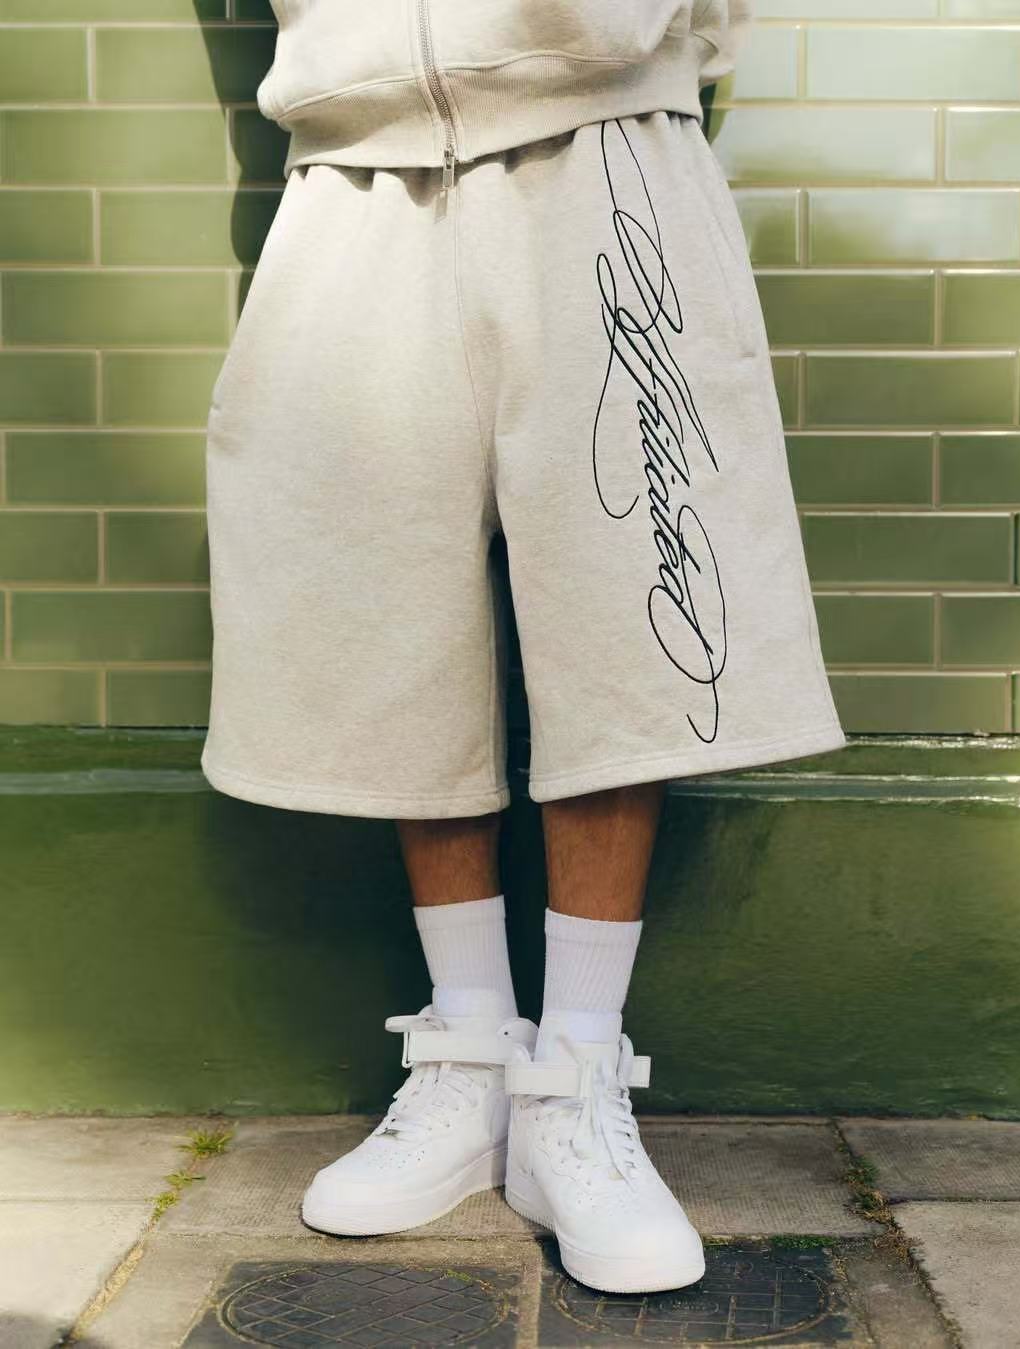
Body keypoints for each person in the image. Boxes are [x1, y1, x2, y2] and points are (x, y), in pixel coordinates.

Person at [200, 0, 847, 1295]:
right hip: (355, 152)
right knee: (382, 604)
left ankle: (578, 1076)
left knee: (627, 603)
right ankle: (471, 1054)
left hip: (605, 124)